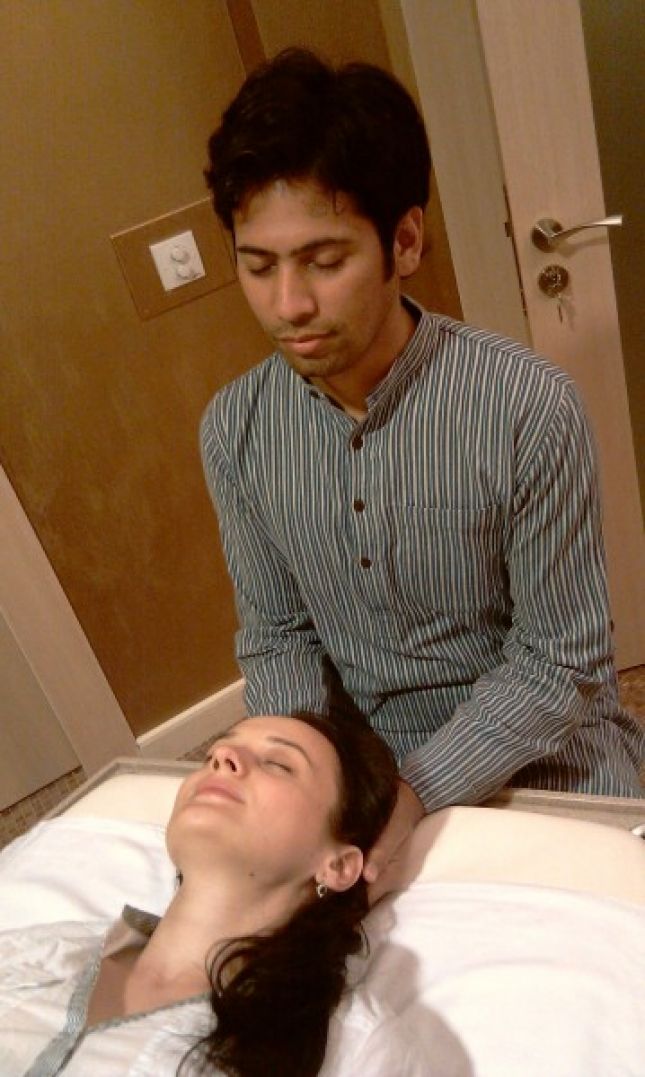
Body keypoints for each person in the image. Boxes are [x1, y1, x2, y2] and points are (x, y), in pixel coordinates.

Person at [200, 48, 645, 897]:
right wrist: (299, 776)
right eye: (258, 265)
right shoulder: (235, 428)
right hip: (362, 763)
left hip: (546, 756)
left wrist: (413, 795)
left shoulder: (524, 404)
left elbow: (560, 661)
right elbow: (277, 635)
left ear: (403, 241)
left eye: (323, 261)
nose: (288, 304)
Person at [0, 713, 421, 1076]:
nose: (222, 756)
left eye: (278, 764)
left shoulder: (354, 1044)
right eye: (211, 754)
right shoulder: (36, 954)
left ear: (339, 866)